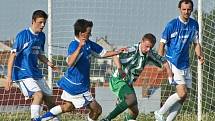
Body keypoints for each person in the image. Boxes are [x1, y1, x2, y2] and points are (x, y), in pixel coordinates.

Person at [33, 19, 126, 121]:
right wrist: (79, 47)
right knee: (97, 110)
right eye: (88, 33)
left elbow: (102, 53)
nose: (90, 35)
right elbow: (69, 62)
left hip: (74, 83)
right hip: (77, 86)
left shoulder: (88, 43)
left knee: (68, 107)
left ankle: (40, 119)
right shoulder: (74, 45)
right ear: (81, 34)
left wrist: (117, 52)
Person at [101, 33, 173, 121]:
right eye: (146, 46)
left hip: (128, 83)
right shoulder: (132, 50)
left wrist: (169, 72)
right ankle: (107, 119)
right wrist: (120, 69)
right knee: (131, 99)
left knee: (134, 112)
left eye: (150, 47)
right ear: (141, 42)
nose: (148, 49)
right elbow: (115, 54)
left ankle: (123, 101)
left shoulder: (150, 53)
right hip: (118, 80)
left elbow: (163, 60)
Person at [4, 10, 60, 121]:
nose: (43, 25)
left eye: (44, 22)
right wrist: (9, 77)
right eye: (40, 22)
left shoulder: (41, 36)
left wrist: (49, 64)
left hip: (35, 73)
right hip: (22, 73)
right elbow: (12, 56)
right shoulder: (23, 36)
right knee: (38, 95)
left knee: (50, 101)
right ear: (33, 21)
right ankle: (35, 119)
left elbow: (39, 53)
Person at [154, 0, 205, 121]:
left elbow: (196, 43)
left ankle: (168, 119)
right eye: (184, 9)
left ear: (191, 10)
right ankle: (159, 113)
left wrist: (200, 56)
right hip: (173, 63)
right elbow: (161, 45)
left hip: (185, 64)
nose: (186, 12)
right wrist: (160, 63)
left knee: (183, 97)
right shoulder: (172, 25)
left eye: (188, 9)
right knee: (182, 93)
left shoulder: (194, 24)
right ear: (179, 9)